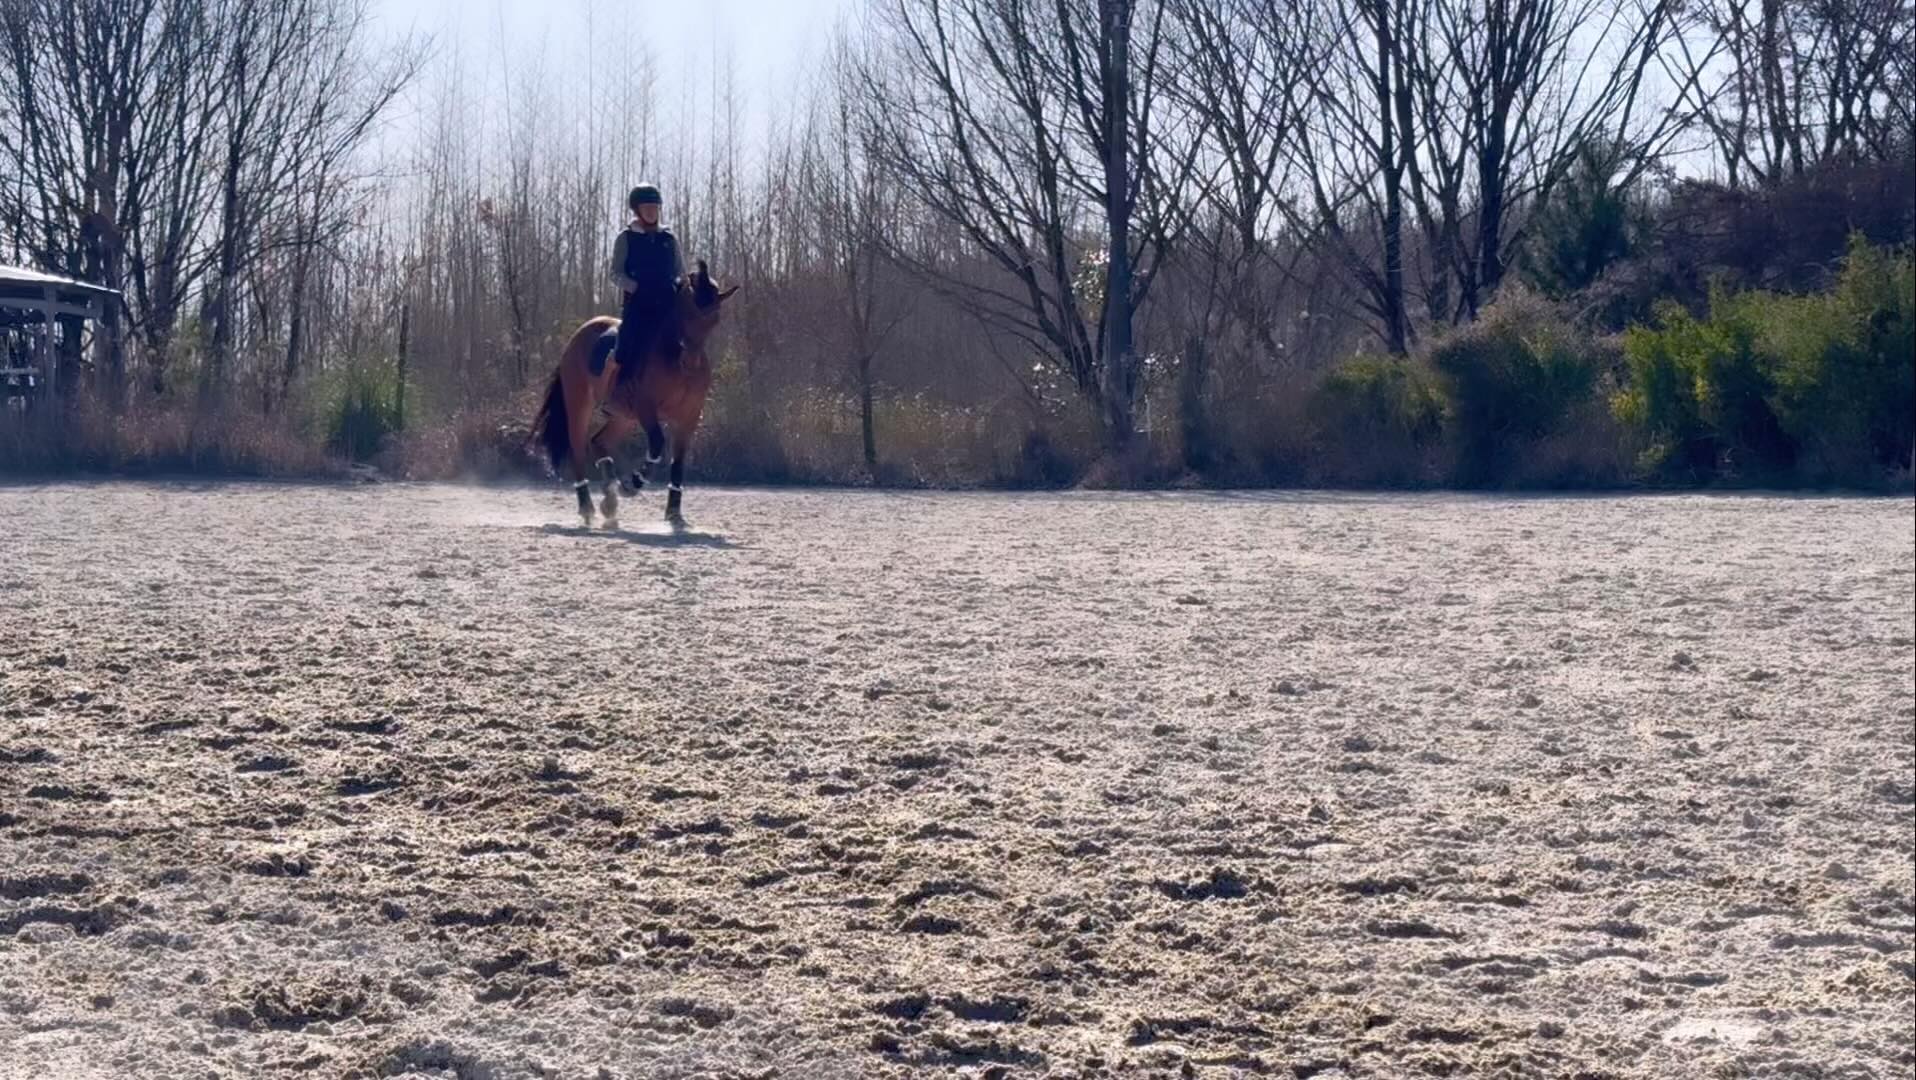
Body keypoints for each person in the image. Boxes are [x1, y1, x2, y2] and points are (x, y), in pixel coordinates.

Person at [608, 183, 684, 378]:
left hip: (667, 303)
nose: (651, 212)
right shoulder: (626, 238)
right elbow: (615, 272)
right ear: (637, 210)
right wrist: (635, 287)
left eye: (655, 208)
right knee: (626, 342)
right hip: (638, 304)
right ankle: (618, 388)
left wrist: (675, 285)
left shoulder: (669, 239)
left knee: (687, 341)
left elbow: (679, 271)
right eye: (647, 208)